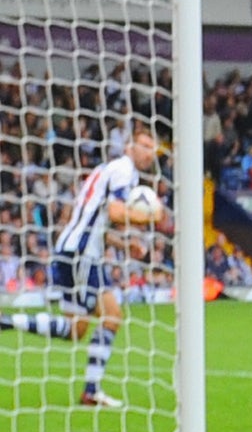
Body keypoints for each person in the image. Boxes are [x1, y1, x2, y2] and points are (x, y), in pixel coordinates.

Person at [7, 126, 166, 408]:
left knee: (81, 327)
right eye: (143, 144)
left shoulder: (107, 170)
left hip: (74, 251)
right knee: (103, 318)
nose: (148, 152)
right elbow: (117, 212)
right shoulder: (123, 170)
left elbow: (98, 218)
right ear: (129, 146)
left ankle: (90, 390)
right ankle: (91, 390)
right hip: (82, 254)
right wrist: (149, 217)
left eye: (151, 147)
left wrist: (122, 245)